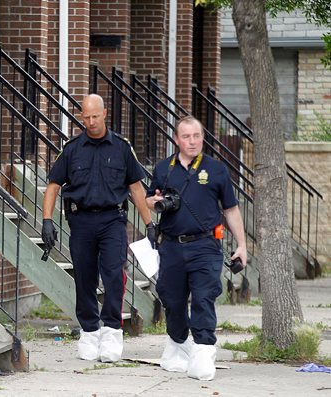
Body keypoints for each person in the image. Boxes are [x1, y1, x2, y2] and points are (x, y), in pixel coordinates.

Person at [41, 94, 155, 363]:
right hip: (81, 222)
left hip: (113, 221)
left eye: (95, 116)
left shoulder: (121, 148)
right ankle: (90, 331)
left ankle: (112, 330)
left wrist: (149, 223)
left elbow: (136, 188)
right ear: (81, 117)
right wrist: (47, 220)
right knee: (85, 278)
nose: (91, 122)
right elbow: (53, 186)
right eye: (86, 117)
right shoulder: (71, 149)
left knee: (115, 274)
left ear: (105, 115)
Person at [145, 115, 247, 381]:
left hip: (205, 245)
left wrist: (242, 245)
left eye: (197, 136)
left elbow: (231, 209)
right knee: (173, 300)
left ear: (203, 137)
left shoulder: (216, 169)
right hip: (172, 246)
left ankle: (203, 350)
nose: (192, 141)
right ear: (177, 139)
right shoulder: (163, 168)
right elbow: (148, 199)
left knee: (203, 297)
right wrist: (155, 203)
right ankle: (178, 344)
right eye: (186, 137)